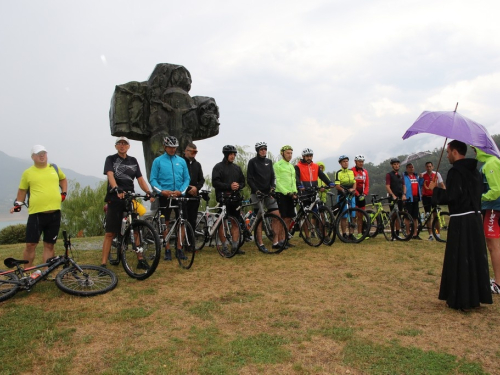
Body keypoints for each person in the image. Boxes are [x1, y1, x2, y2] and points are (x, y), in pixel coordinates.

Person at [430, 140, 492, 310]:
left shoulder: (455, 172)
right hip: (475, 219)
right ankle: (476, 296)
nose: (448, 155)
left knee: (461, 257)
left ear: (455, 152)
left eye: (449, 152)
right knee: (473, 257)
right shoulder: (475, 172)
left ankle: (463, 298)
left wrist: (435, 189)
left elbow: (452, 196)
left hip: (461, 221)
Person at [10, 145, 67, 267]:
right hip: (36, 214)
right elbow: (22, 191)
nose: (42, 155)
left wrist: (64, 193)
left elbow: (63, 179)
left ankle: (46, 272)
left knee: (49, 245)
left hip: (55, 213)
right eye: (38, 154)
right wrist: (17, 204)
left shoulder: (54, 168)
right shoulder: (28, 173)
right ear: (33, 157)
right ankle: (27, 273)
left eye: (43, 153)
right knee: (31, 245)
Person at [101, 137, 153, 268]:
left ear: (128, 146)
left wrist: (148, 191)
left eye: (125, 144)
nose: (122, 146)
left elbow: (140, 179)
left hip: (130, 198)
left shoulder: (133, 161)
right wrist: (116, 188)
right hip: (115, 197)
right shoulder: (111, 159)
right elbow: (110, 175)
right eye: (119, 143)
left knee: (135, 230)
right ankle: (103, 264)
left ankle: (140, 260)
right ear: (116, 146)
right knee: (110, 233)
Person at [150, 136, 191, 261]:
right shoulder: (158, 161)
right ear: (164, 147)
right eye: (170, 147)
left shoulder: (182, 161)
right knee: (165, 222)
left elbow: (187, 178)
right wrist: (162, 192)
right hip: (165, 195)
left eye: (174, 148)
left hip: (179, 195)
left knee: (182, 222)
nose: (172, 150)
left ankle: (179, 248)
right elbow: (153, 179)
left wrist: (181, 191)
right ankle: (167, 248)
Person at [247, 141, 285, 253]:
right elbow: (249, 179)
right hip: (256, 193)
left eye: (265, 149)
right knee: (259, 217)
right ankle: (260, 243)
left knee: (276, 214)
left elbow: (272, 177)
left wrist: (272, 187)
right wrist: (256, 190)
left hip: (268, 193)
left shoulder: (269, 161)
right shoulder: (252, 162)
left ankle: (275, 241)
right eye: (261, 149)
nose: (264, 151)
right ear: (258, 151)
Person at [474, 147, 500, 294]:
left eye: (475, 149)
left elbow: (496, 190)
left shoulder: (491, 163)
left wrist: (479, 198)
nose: (475, 153)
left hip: (493, 208)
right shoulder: (489, 163)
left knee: (493, 245)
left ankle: (498, 283)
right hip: (492, 207)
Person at [212, 145, 246, 255]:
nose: (233, 156)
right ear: (226, 155)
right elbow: (215, 183)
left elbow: (243, 182)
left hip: (235, 198)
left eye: (234, 154)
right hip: (223, 198)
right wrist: (229, 186)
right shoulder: (218, 167)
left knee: (235, 222)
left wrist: (238, 186)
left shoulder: (237, 168)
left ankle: (235, 246)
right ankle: (224, 246)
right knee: (223, 223)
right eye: (231, 154)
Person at [295, 148, 335, 241]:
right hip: (303, 193)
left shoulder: (316, 166)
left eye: (310, 156)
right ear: (303, 156)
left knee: (321, 213)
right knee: (305, 215)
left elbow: (322, 176)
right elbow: (296, 178)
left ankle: (324, 235)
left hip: (313, 192)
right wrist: (299, 185)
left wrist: (329, 183)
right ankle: (307, 236)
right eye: (307, 156)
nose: (309, 158)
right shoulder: (298, 166)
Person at [274, 145, 298, 248]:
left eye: (291, 153)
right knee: (282, 217)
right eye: (288, 153)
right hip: (282, 194)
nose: (290, 155)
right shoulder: (277, 165)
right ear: (282, 153)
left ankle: (285, 239)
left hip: (292, 194)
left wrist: (295, 192)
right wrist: (286, 192)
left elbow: (293, 181)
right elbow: (277, 181)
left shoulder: (291, 166)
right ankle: (280, 241)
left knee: (288, 218)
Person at [334, 155, 359, 240]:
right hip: (342, 195)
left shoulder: (351, 171)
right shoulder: (338, 173)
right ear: (340, 163)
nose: (346, 163)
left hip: (351, 196)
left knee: (353, 215)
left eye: (347, 161)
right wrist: (343, 190)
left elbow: (354, 182)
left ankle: (351, 234)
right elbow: (337, 185)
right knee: (344, 216)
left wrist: (353, 189)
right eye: (343, 161)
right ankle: (344, 234)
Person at [182, 142, 205, 234]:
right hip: (183, 195)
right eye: (192, 152)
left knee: (193, 220)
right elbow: (179, 179)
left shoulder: (197, 165)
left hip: (194, 196)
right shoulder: (180, 163)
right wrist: (188, 189)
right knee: (183, 219)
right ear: (186, 151)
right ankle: (181, 243)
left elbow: (202, 179)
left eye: (195, 152)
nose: (193, 154)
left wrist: (196, 188)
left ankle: (191, 244)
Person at [420, 161, 446, 240]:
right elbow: (420, 185)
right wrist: (420, 178)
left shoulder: (437, 174)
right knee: (428, 216)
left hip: (434, 196)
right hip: (426, 197)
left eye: (430, 166)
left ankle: (437, 233)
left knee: (436, 216)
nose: (429, 168)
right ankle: (431, 234)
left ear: (433, 167)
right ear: (425, 167)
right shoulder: (423, 175)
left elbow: (441, 184)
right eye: (427, 166)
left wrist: (445, 193)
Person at [385, 158, 407, 239]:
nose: (396, 165)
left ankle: (397, 234)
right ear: (392, 165)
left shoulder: (401, 174)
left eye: (397, 164)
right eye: (394, 164)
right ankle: (393, 234)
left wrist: (404, 194)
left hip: (400, 196)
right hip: (392, 197)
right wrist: (393, 195)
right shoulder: (389, 174)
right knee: (393, 216)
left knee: (399, 216)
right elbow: (387, 186)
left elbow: (404, 186)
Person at [403, 163, 423, 240]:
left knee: (415, 217)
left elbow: (420, 186)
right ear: (406, 168)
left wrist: (421, 179)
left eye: (412, 167)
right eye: (409, 167)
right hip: (408, 199)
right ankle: (408, 233)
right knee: (407, 217)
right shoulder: (404, 177)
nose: (411, 168)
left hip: (416, 198)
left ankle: (415, 233)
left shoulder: (416, 176)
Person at [351, 154, 370, 238]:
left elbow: (367, 184)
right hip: (354, 195)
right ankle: (351, 234)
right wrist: (357, 194)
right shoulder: (352, 170)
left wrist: (364, 194)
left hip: (362, 196)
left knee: (361, 215)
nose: (361, 163)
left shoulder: (365, 171)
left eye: (362, 162)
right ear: (355, 162)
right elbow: (352, 184)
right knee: (354, 215)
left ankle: (360, 233)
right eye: (359, 161)